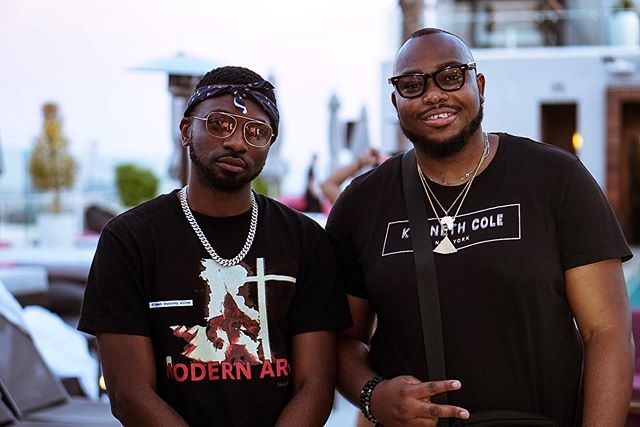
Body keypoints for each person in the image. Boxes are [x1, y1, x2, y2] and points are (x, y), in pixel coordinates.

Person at [326, 28, 634, 426]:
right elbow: (341, 339)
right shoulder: (361, 203)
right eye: (412, 84)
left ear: (479, 85)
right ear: (395, 100)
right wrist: (374, 395)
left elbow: (606, 333)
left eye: (451, 76)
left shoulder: (556, 179)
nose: (433, 94)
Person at [78, 66, 351, 427]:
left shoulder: (305, 240)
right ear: (187, 129)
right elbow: (129, 394)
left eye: (257, 132)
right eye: (220, 123)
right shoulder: (130, 239)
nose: (237, 141)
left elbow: (315, 386)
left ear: (269, 148)